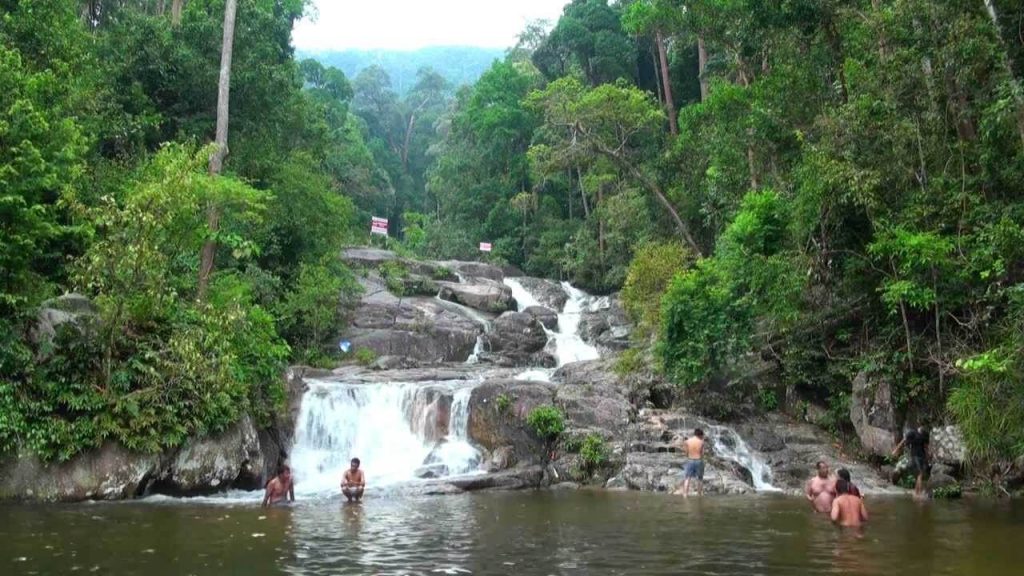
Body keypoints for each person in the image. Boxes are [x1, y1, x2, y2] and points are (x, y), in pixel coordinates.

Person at [892, 426, 930, 498]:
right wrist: (896, 450)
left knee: (919, 475)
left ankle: (916, 493)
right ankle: (918, 494)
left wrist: (928, 456)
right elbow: (903, 441)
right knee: (920, 475)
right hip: (916, 457)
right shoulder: (913, 433)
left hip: (920, 457)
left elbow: (925, 447)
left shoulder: (920, 436)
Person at [677, 428, 705, 498]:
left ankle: (685, 495)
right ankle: (699, 495)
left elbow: (686, 452)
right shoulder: (701, 442)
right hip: (699, 460)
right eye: (702, 435)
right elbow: (702, 453)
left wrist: (689, 456)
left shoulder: (687, 441)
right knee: (700, 478)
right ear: (700, 435)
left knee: (687, 478)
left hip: (690, 460)